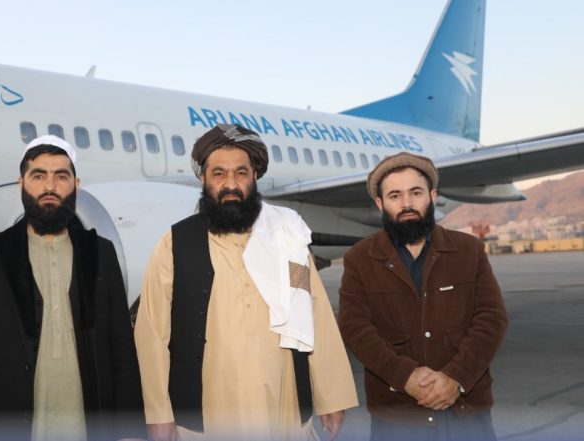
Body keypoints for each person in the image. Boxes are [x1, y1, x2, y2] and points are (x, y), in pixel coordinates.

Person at [134, 124, 358, 441]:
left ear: (254, 177)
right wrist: (158, 413)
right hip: (208, 413)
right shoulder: (175, 242)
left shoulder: (287, 238)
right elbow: (152, 333)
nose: (231, 184)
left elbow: (314, 312)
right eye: (219, 174)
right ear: (203, 179)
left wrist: (331, 395)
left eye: (240, 173)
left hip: (282, 401)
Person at [0, 135, 143, 441]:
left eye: (61, 176)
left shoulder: (100, 253)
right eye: (38, 176)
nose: (50, 186)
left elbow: (122, 352)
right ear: (21, 184)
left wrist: (130, 431)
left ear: (76, 185)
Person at [338, 152, 508, 441]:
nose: (406, 204)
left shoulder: (468, 251)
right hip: (397, 416)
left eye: (415, 193)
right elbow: (355, 327)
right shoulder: (360, 258)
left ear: (433, 196)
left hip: (466, 412)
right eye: (394, 195)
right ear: (380, 203)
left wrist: (457, 378)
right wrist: (404, 376)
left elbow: (491, 319)